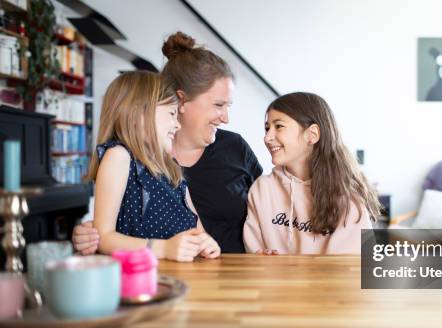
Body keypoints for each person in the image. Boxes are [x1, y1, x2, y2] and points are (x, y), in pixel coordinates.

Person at [73, 31, 262, 255]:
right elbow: (106, 234)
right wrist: (90, 236)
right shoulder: (131, 159)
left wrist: (206, 243)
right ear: (181, 101)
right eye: (218, 105)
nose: (226, 118)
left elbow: (203, 232)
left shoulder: (173, 167)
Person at [89, 71, 220, 261]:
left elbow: (197, 232)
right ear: (140, 112)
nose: (177, 125)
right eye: (171, 114)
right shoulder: (119, 157)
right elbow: (104, 238)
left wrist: (206, 243)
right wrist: (163, 248)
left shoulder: (171, 167)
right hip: (141, 281)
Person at [243, 92, 381, 255]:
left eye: (278, 126)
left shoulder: (347, 196)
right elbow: (254, 253)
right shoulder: (261, 189)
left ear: (312, 134)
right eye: (267, 128)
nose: (267, 137)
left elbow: (350, 268)